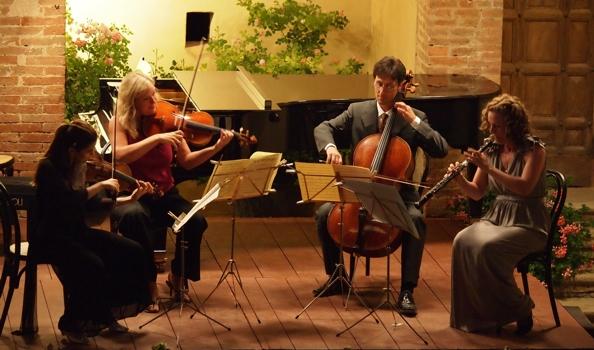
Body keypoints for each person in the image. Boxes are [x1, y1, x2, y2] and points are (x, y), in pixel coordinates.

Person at [312, 56, 449, 316]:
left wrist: (415, 124)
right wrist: (330, 147)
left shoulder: (414, 117)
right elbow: (324, 128)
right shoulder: (357, 111)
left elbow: (441, 149)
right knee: (323, 215)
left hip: (397, 194)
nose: (381, 91)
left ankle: (407, 289)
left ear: (399, 86)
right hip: (359, 190)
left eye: (388, 86)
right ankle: (337, 275)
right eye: (378, 84)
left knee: (416, 220)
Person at [109, 71, 234, 312]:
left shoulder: (167, 121)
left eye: (154, 96)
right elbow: (119, 154)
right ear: (131, 100)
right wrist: (157, 140)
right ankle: (147, 284)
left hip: (166, 193)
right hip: (136, 194)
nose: (154, 103)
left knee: (196, 221)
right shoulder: (120, 123)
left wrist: (216, 148)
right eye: (147, 99)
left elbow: (187, 160)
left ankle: (178, 276)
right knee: (135, 218)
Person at [31, 120, 152, 344]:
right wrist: (99, 185)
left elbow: (89, 205)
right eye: (87, 150)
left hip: (76, 232)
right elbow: (68, 202)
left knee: (129, 250)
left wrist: (129, 199)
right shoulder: (49, 168)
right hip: (51, 237)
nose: (91, 154)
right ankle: (73, 324)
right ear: (71, 149)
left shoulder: (77, 167)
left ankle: (107, 314)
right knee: (92, 264)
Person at [449, 94, 548, 335]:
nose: (491, 131)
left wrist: (489, 168)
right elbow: (476, 192)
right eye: (490, 125)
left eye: (497, 126)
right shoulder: (492, 149)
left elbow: (524, 187)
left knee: (488, 249)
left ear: (513, 125)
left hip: (528, 221)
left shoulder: (534, 150)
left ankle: (520, 308)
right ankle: (478, 315)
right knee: (461, 241)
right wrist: (459, 179)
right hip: (498, 217)